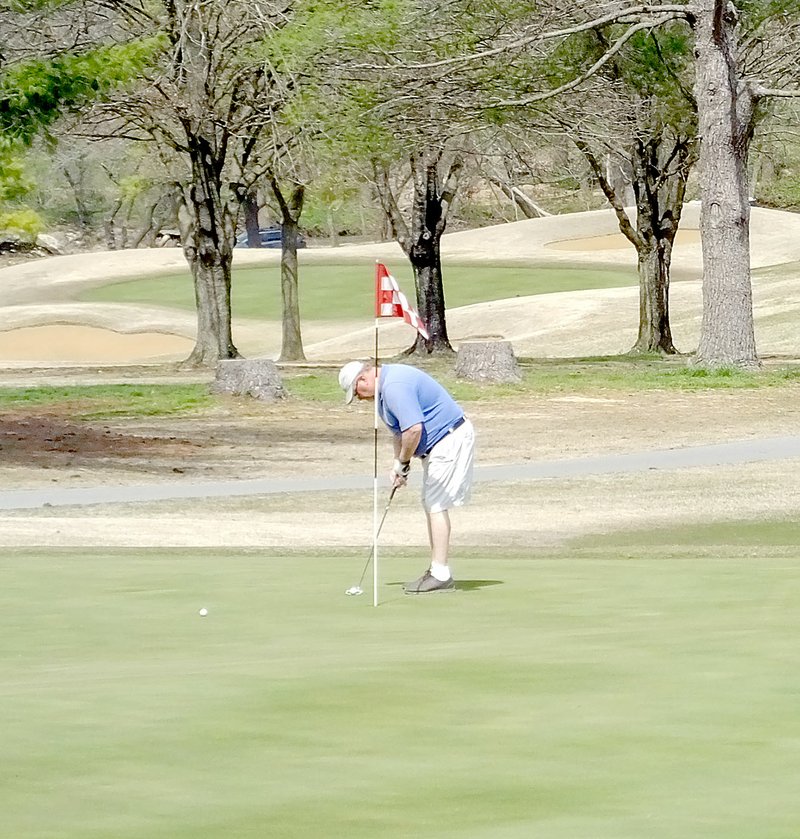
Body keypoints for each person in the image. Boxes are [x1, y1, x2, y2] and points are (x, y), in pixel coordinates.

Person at [339, 360, 475, 594]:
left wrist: (404, 462)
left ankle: (440, 574)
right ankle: (437, 570)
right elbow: (400, 433)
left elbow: (414, 429)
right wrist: (398, 466)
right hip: (439, 444)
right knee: (431, 503)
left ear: (363, 379)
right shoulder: (383, 396)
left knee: (436, 504)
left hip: (449, 439)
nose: (360, 398)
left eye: (357, 393)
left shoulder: (394, 387)